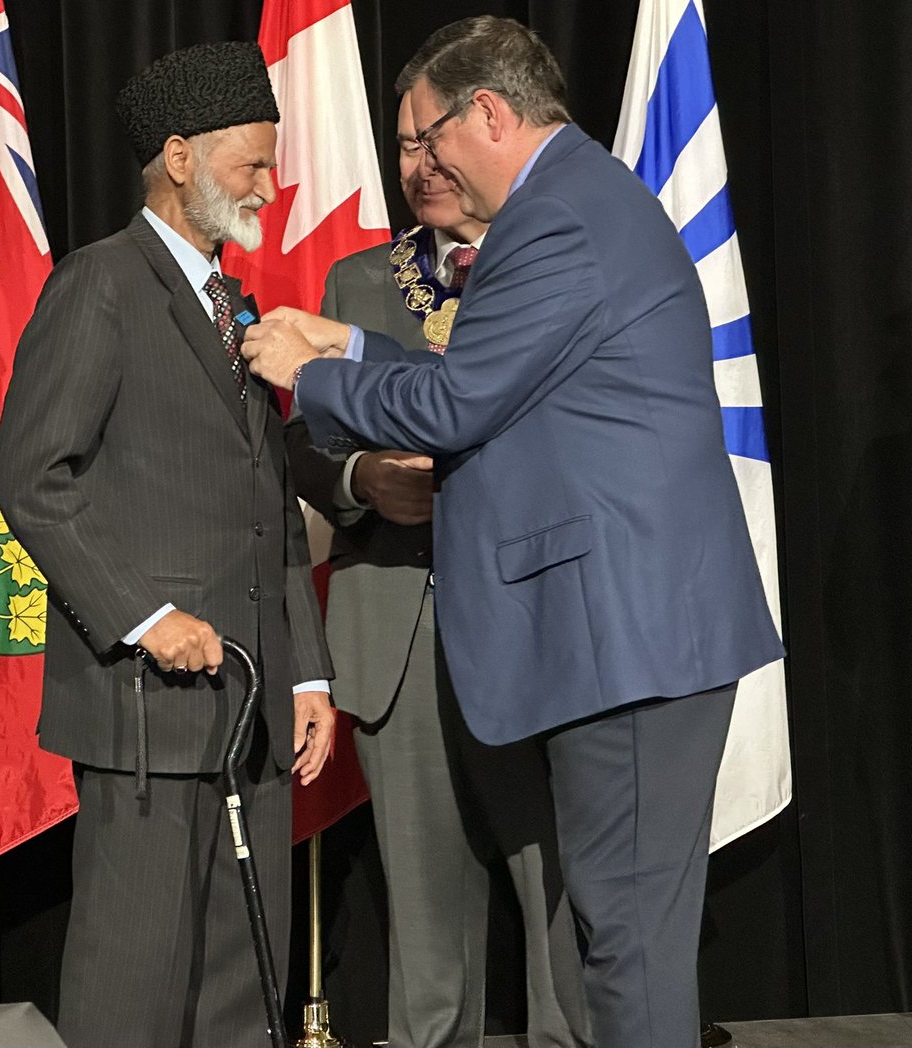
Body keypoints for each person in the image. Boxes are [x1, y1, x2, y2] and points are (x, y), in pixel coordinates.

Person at [241, 16, 784, 1048]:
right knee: (627, 938)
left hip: (623, 644)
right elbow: (492, 378)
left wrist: (305, 373)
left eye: (426, 136)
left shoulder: (555, 222)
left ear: (485, 112)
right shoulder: (577, 201)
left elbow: (455, 408)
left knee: (623, 945)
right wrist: (350, 337)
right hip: (629, 636)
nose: (420, 163)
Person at [0, 41, 335, 1048]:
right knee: (133, 991)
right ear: (180, 158)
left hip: (255, 710)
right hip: (149, 714)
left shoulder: (234, 306)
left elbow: (266, 501)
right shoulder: (100, 285)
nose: (272, 188)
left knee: (241, 1001)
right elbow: (31, 477)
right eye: (253, 165)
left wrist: (307, 673)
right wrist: (144, 616)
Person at [285, 92, 590, 1048]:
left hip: (537, 627)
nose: (419, 162)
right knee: (425, 940)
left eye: (434, 140)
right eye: (404, 146)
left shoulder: (551, 266)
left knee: (562, 908)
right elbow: (300, 444)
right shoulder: (360, 280)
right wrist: (363, 478)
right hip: (399, 638)